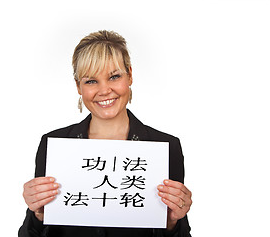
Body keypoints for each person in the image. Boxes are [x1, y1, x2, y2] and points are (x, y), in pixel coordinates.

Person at [19, 30, 192, 237]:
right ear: (78, 86)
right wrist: (37, 214)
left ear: (130, 75)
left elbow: (176, 230)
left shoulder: (165, 147)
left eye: (114, 76)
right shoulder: (54, 145)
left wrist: (173, 222)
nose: (104, 90)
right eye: (91, 81)